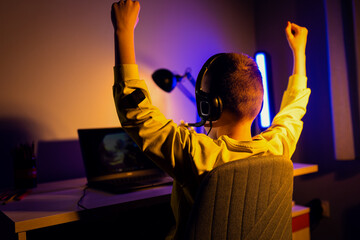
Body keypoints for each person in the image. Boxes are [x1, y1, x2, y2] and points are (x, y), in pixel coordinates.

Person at [111, 1, 310, 239]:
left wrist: (123, 30)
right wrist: (299, 52)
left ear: (208, 106)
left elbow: (137, 114)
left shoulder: (196, 154)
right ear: (258, 105)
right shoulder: (277, 149)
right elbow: (294, 109)